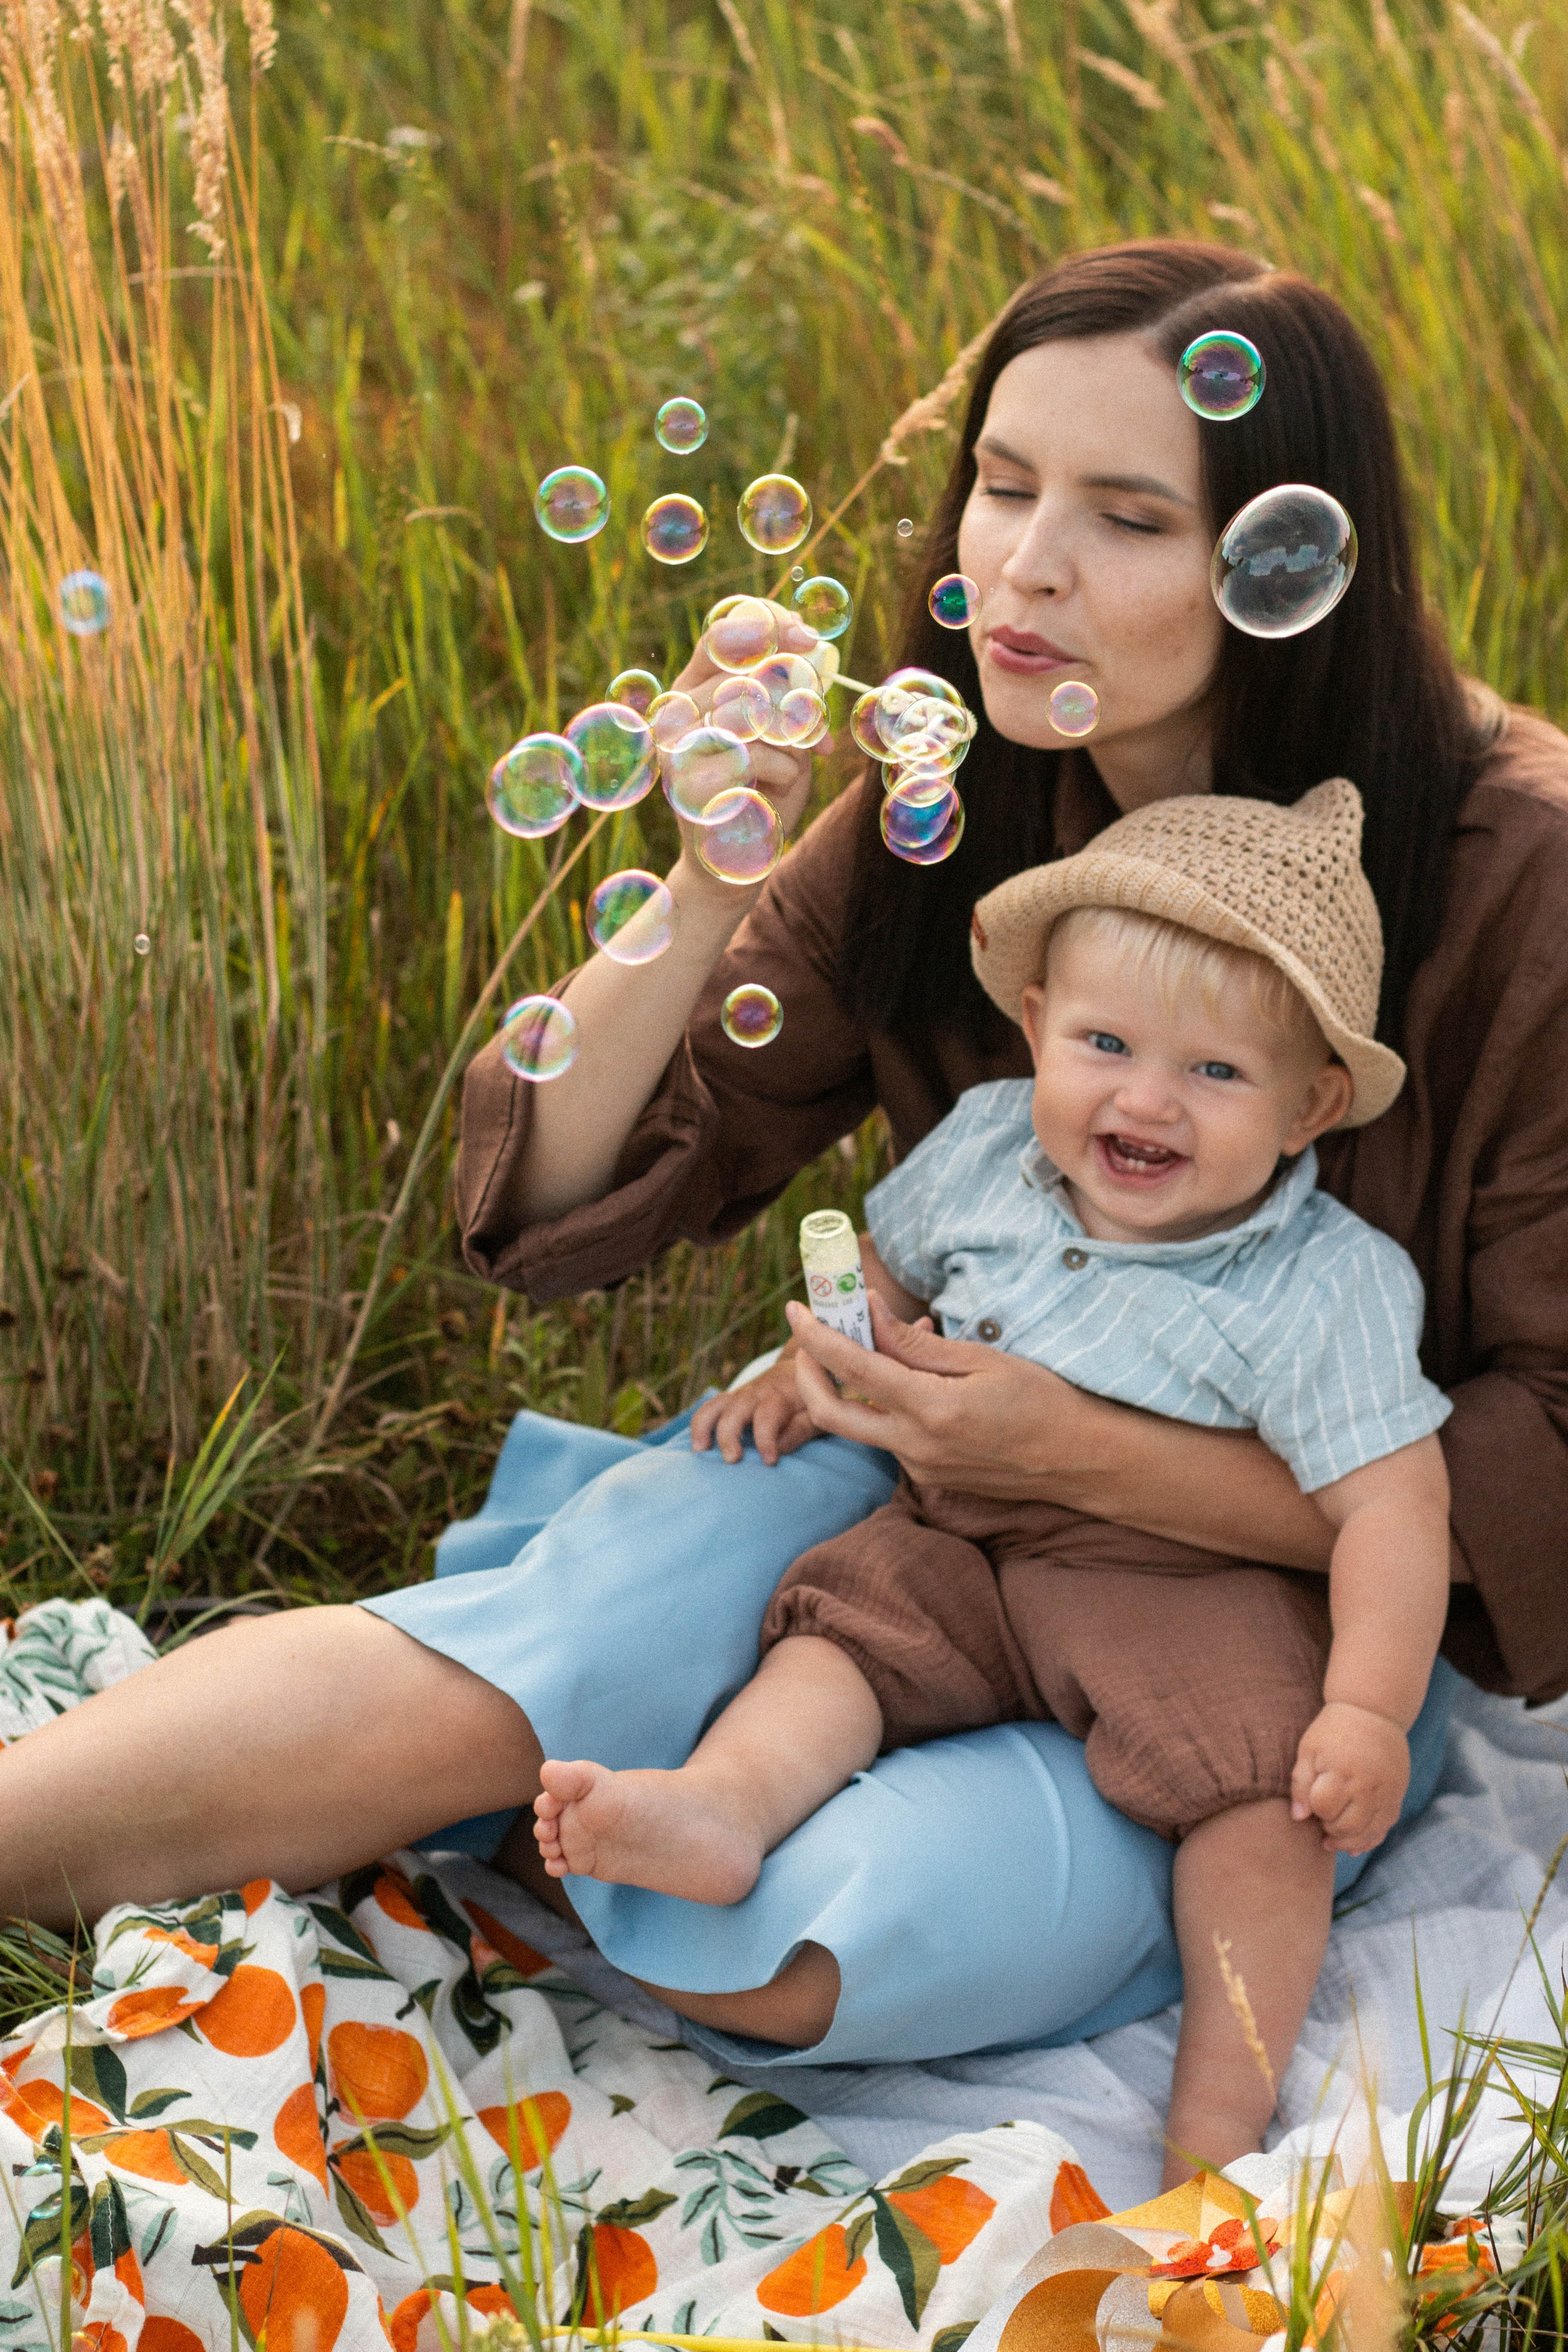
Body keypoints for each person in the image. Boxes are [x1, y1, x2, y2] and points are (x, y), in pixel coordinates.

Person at [1, 242, 1563, 2084]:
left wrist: (1087, 1457)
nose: (1020, 568)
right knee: (546, 1650)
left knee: (788, 1948)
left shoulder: (1517, 879)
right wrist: (710, 878)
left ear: (1286, 568)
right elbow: (568, 1195)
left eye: (1128, 516)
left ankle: (570, 1790)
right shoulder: (965, 770)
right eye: (999, 484)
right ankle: (500, 1734)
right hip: (900, 1494)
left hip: (1260, 1618)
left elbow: (1547, 1452)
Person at [532, 784, 1455, 2178]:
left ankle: (1219, 2107)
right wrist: (812, 1367)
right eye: (1102, 1044)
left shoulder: (1323, 1282)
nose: (1143, 1099)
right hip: (954, 1528)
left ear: (1310, 1105)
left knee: (1260, 1805)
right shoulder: (986, 1146)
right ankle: (725, 1806)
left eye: (1213, 1075)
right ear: (1035, 1030)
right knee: (841, 1635)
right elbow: (893, 1270)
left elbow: (1392, 1507)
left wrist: (1366, 1708)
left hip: (1176, 1581)